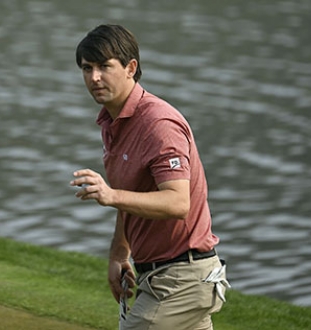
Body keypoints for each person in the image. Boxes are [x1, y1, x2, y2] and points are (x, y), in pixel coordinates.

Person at [70, 24, 227, 330]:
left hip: (183, 281)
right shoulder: (112, 123)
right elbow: (133, 194)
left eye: (104, 66)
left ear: (131, 68)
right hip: (161, 277)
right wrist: (119, 253)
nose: (94, 78)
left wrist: (111, 195)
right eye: (87, 68)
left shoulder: (158, 124)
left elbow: (178, 201)